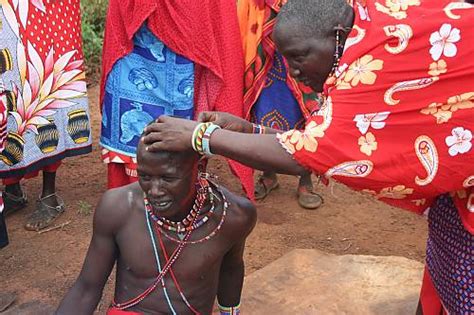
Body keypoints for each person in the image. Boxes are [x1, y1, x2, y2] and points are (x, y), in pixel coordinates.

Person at [142, 1, 474, 314]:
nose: (295, 72)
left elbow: (309, 155)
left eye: (300, 56)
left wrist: (200, 137)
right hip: (458, 196)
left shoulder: (370, 68)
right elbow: (318, 143)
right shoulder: (374, 29)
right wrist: (247, 130)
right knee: (446, 254)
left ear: (337, 35)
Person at [56, 135, 256, 315]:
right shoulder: (117, 207)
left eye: (167, 178)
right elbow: (86, 289)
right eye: (145, 176)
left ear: (200, 168)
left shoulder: (233, 215)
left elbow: (231, 271)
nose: (154, 191)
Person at [99, 0, 253, 197]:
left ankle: (181, 200)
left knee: (184, 122)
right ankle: (128, 201)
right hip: (135, 31)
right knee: (126, 116)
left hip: (190, 21)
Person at [0, 0, 92, 231]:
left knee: (44, 86)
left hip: (48, 11)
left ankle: (49, 194)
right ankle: (12, 187)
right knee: (9, 84)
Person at [237, 0, 322, 208]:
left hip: (303, 37)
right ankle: (268, 174)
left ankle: (305, 178)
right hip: (267, 46)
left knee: (303, 112)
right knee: (265, 109)